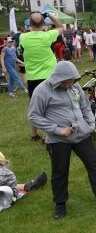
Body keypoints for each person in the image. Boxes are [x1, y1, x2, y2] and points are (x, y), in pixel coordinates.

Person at [27, 61, 96, 218]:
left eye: (72, 81)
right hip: (58, 140)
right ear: (58, 79)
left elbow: (85, 106)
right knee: (60, 171)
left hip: (82, 135)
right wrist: (58, 130)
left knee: (94, 165)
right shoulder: (42, 91)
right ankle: (60, 205)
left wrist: (91, 123)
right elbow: (33, 116)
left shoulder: (74, 86)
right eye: (67, 82)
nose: (70, 85)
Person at [19, 10, 64, 141]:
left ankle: (34, 134)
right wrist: (49, 15)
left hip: (32, 78)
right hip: (49, 77)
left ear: (29, 24)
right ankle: (46, 136)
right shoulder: (48, 36)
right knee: (49, 106)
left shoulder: (23, 37)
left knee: (35, 106)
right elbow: (60, 26)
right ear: (44, 23)